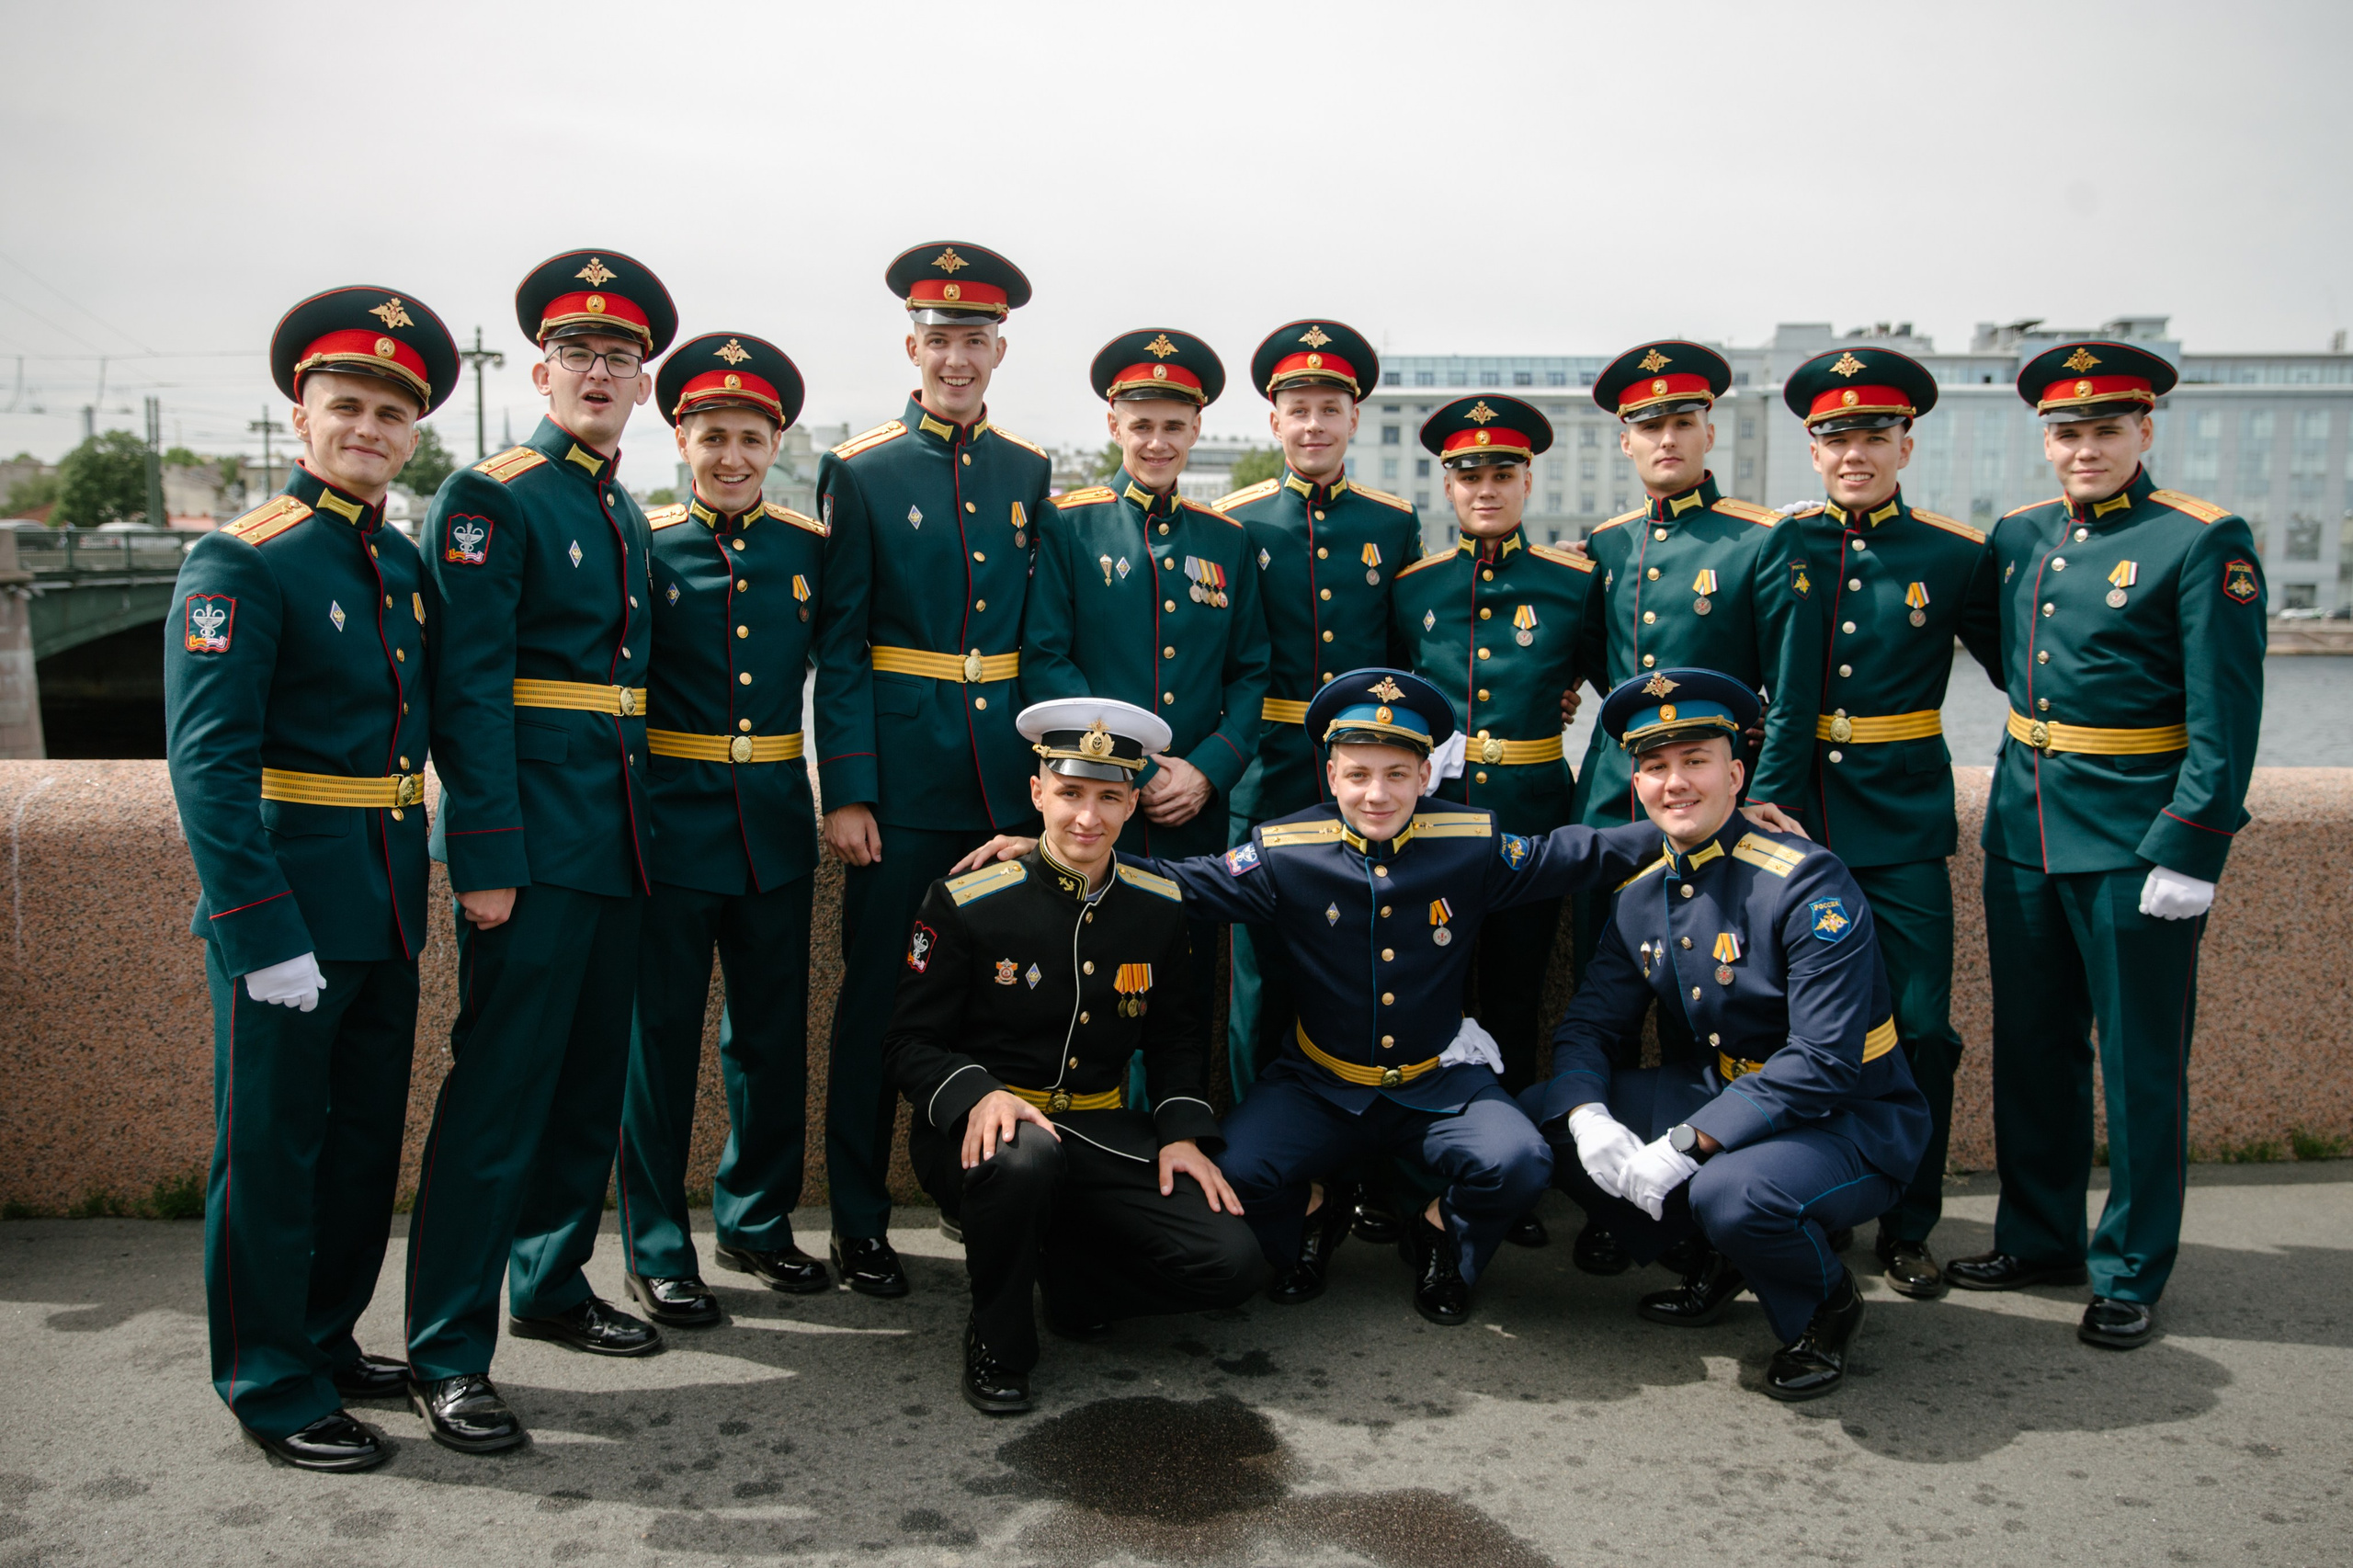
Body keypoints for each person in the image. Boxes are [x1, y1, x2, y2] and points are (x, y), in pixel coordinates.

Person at [958, 668, 1802, 1324]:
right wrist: (1052, 853)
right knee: (1239, 1178)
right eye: (1358, 774)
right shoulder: (1287, 850)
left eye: (1398, 775)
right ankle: (1315, 1214)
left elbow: (1576, 854)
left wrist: (1707, 818)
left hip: (1439, 1080)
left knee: (1520, 1161)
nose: (1376, 795)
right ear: (1330, 772)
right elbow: (1184, 884)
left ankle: (1442, 1237)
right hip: (1321, 1080)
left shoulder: (1469, 845)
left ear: (1425, 776)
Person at [165, 285, 457, 1471]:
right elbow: (209, 763)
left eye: (392, 413)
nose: (370, 428)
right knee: (272, 1150)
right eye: (348, 405)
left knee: (355, 1146)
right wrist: (256, 927)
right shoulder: (245, 557)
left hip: (385, 893)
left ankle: (327, 1339)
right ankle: (268, 1380)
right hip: (290, 905)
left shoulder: (393, 556)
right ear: (302, 413)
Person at [406, 248, 676, 1454]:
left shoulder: (616, 499)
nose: (602, 372)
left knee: (583, 1091)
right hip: (532, 849)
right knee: (498, 1099)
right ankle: (448, 1351)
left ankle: (553, 1282)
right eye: (582, 353)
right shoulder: (491, 493)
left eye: (622, 357)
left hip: (615, 844)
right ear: (541, 366)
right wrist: (487, 856)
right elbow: (467, 693)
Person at [1948, 340, 2265, 1351]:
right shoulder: (2019, 534)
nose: (2083, 449)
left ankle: (2130, 1264)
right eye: (2066, 433)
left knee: (2137, 1064)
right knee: (2033, 1051)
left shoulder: (2202, 540)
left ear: (2144, 432)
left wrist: (2192, 844)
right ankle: (2040, 1236)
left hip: (2135, 839)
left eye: (2103, 431)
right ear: (2046, 440)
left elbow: (2226, 715)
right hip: (2027, 824)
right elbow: (2008, 659)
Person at [1526, 669, 1930, 1401]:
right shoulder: (1642, 895)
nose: (1675, 782)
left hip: (1850, 1118)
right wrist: (1588, 1120)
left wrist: (1686, 1143)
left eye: (1695, 762)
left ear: (1737, 773)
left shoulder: (1807, 883)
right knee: (1542, 1115)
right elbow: (1588, 1024)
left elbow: (1824, 1061)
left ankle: (1824, 1308)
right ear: (1638, 784)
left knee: (1734, 1195)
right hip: (1723, 1093)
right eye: (1655, 766)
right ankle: (1716, 1257)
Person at [885, 698, 1266, 1414]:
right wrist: (980, 1094)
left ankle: (1070, 1280)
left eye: (1109, 798)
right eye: (1069, 794)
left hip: (1099, 1128)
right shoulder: (968, 902)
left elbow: (1177, 1035)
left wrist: (1182, 1134)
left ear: (1131, 807)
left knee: (1233, 1262)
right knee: (1026, 1159)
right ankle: (999, 1340)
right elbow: (908, 1042)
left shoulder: (1157, 905)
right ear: (1037, 792)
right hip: (983, 1140)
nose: (1086, 817)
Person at [813, 242, 1054, 1289]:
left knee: (999, 1003)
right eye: (940, 340)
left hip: (1000, 781)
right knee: (876, 1001)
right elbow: (842, 642)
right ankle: (858, 1215)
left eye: (975, 341)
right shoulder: (861, 467)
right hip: (901, 789)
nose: (957, 358)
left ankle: (979, 1192)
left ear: (1000, 350)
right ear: (912, 347)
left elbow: (1036, 638)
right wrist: (853, 788)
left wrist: (1050, 779)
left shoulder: (1028, 469)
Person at [1563, 340, 1824, 1278]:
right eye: (1646, 425)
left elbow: (1788, 691)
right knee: (1616, 985)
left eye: (1681, 420)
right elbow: (1598, 664)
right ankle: (1617, 1193)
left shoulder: (1761, 536)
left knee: (1708, 1009)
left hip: (1715, 806)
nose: (1664, 438)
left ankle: (1703, 1197)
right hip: (1616, 795)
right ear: (1625, 439)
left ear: (1709, 427)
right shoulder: (1609, 542)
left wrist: (1768, 797)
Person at [614, 333, 836, 1326]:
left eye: (750, 437)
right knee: (657, 1044)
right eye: (712, 436)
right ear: (680, 439)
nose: (732, 457)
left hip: (776, 826)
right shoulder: (642, 543)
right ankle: (657, 1245)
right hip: (668, 825)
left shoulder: (807, 550)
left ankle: (755, 1220)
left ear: (777, 440)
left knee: (768, 1040)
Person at [1779, 346, 2003, 1301]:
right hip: (1791, 820)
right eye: (1836, 437)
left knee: (1919, 1030)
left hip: (1902, 823)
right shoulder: (1776, 545)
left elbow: (2031, 675)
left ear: (1905, 442)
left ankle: (1908, 1224)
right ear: (1813, 447)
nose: (1855, 452)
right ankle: (1800, 1206)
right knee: (1781, 1032)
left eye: (1874, 434)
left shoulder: (1953, 556)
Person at [1022, 328, 1271, 1089]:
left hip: (1189, 811)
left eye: (1173, 425)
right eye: (1142, 425)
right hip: (1098, 806)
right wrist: (1120, 770)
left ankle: (1177, 1141)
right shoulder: (1069, 524)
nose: (1157, 442)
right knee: (1089, 989)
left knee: (1185, 991)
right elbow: (1045, 654)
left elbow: (1252, 672)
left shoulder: (1227, 541)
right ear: (1113, 426)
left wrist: (1206, 771)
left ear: (1196, 429)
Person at [1213, 320, 1422, 1101]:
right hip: (1266, 766)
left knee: (1361, 962)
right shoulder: (1236, 518)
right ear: (1274, 421)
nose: (1313, 425)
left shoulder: (1390, 522)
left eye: (1329, 408)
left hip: (1364, 774)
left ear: (1353, 419)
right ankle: (1256, 1145)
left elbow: (1408, 649)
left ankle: (1354, 1150)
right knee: (1258, 971)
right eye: (1297, 408)